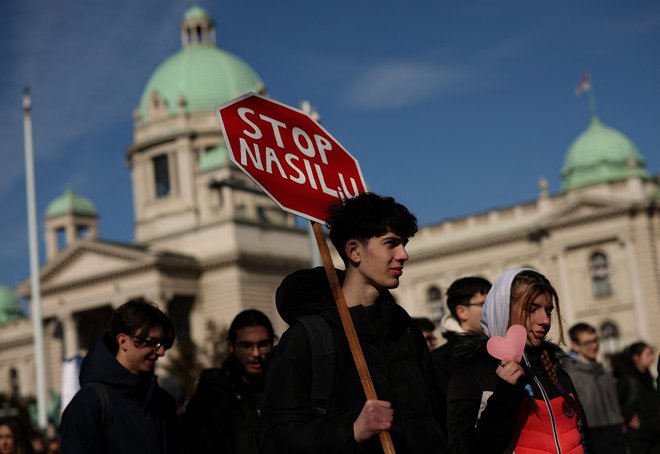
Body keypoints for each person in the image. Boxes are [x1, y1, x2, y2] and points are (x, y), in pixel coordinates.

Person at [260, 192, 446, 453]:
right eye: (391, 243)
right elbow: (276, 438)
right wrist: (353, 431)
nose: (404, 254)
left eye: (404, 243)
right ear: (354, 251)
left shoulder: (404, 328)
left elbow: (436, 415)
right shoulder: (308, 337)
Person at [447, 268, 590, 453]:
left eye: (548, 310)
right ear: (504, 310)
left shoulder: (556, 371)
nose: (545, 320)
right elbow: (463, 449)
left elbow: (584, 438)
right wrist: (505, 394)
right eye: (532, 309)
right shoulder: (471, 373)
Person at [60, 299, 181, 454]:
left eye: (163, 344)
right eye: (153, 342)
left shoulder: (162, 401)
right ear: (123, 341)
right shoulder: (89, 404)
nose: (161, 352)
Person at [183, 309, 275, 453]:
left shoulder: (286, 389)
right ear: (231, 346)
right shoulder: (211, 398)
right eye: (246, 346)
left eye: (263, 344)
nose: (256, 353)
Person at [431, 276, 491, 432]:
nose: (493, 310)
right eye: (485, 304)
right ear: (462, 312)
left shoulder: (503, 348)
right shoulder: (441, 360)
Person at [562, 322, 626, 453]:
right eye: (588, 342)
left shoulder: (603, 370)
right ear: (575, 345)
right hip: (591, 437)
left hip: (615, 433)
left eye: (596, 340)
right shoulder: (568, 374)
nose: (595, 346)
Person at [613, 341, 660, 454]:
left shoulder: (647, 375)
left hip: (654, 433)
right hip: (638, 437)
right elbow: (617, 402)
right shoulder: (627, 378)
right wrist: (629, 416)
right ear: (636, 357)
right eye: (648, 354)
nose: (652, 358)